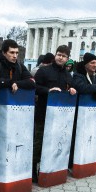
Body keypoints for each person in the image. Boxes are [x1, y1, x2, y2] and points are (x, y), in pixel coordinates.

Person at [0, 39, 35, 189]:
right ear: (4, 52)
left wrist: (17, 84)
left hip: (12, 115)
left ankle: (8, 174)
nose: (14, 56)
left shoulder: (19, 66)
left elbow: (31, 82)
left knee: (11, 144)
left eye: (17, 53)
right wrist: (7, 83)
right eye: (11, 53)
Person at [33, 45, 76, 181]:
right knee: (38, 144)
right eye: (59, 54)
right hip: (43, 114)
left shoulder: (68, 75)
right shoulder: (44, 71)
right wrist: (48, 90)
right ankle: (32, 170)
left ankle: (47, 169)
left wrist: (71, 91)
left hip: (59, 118)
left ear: (67, 59)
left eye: (63, 56)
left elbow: (68, 89)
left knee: (54, 143)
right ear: (55, 55)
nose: (60, 57)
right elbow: (35, 87)